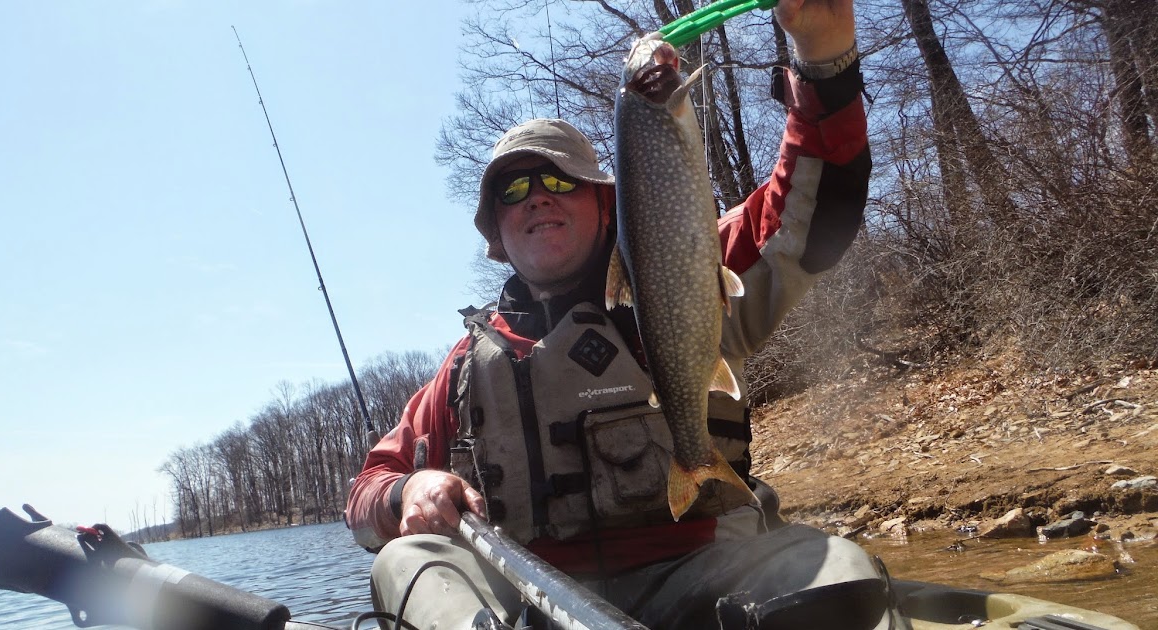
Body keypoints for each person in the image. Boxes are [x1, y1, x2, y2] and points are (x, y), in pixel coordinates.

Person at [347, 0, 883, 627]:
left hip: (704, 580)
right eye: (513, 190)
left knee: (837, 566)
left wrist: (824, 59)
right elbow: (367, 489)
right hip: (540, 602)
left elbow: (813, 208)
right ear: (497, 229)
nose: (538, 196)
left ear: (607, 203)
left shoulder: (684, 264)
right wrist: (405, 491)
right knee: (405, 560)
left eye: (559, 179)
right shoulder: (466, 368)